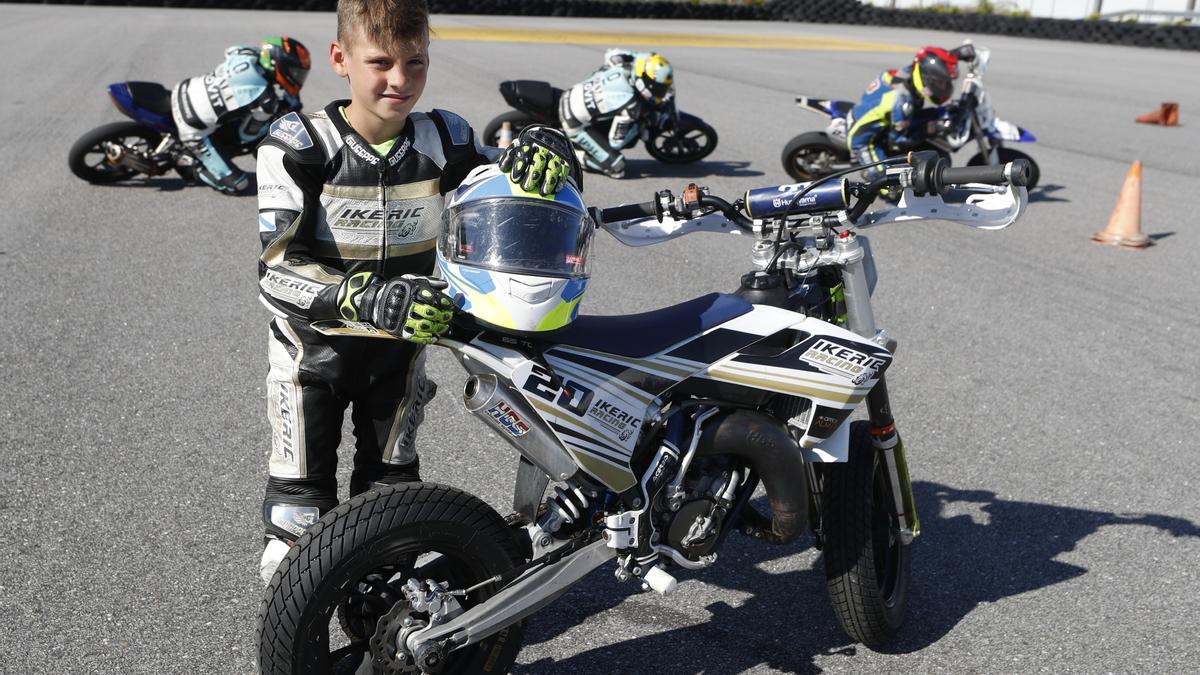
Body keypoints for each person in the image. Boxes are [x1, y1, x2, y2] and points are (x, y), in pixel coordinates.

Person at [254, 0, 579, 584]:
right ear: (340, 59)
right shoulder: (296, 145)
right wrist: (367, 299)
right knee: (296, 527)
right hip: (311, 358)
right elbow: (276, 272)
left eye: (416, 62)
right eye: (380, 62)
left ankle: (397, 625)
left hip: (401, 355)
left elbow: (516, 193)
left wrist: (551, 148)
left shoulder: (446, 140)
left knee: (393, 510)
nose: (400, 80)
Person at [170, 36, 310, 195]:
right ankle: (186, 163)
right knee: (239, 185)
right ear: (278, 64)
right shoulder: (267, 101)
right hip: (191, 127)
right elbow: (247, 135)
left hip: (183, 89)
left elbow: (230, 50)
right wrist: (273, 119)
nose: (297, 77)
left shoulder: (246, 54)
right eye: (295, 72)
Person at [846, 45, 975, 182]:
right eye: (940, 82)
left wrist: (955, 54)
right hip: (863, 139)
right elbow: (896, 143)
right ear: (927, 78)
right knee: (888, 184)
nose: (944, 87)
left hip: (887, 118)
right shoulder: (902, 103)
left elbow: (926, 57)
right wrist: (930, 129)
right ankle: (876, 179)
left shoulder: (912, 71)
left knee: (939, 113)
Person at [559, 49, 674, 178]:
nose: (663, 91)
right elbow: (616, 142)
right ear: (647, 83)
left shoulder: (621, 64)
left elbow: (611, 52)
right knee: (617, 168)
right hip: (573, 123)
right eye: (661, 88)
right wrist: (641, 125)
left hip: (569, 94)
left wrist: (635, 57)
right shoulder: (632, 106)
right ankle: (570, 155)